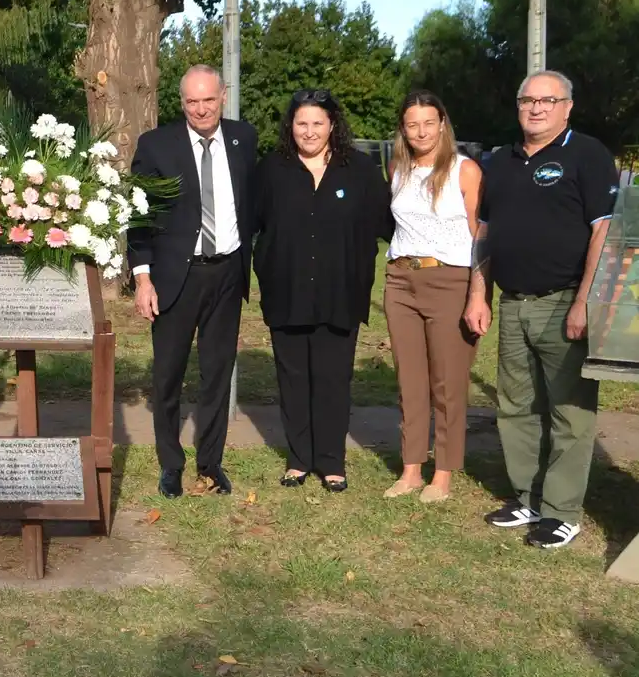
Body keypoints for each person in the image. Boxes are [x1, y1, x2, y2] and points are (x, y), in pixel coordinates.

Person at [464, 70, 617, 549]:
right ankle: (528, 498)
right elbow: (484, 232)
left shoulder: (587, 155)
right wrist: (477, 292)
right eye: (527, 100)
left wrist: (585, 301)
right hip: (513, 304)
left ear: (567, 107)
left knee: (569, 412)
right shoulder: (501, 161)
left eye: (547, 101)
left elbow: (603, 232)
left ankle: (562, 510)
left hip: (564, 301)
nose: (535, 108)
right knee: (516, 407)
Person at [128, 64, 258, 498]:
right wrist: (143, 279)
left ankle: (211, 462)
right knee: (167, 375)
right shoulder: (156, 146)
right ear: (181, 102)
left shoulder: (244, 140)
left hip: (226, 273)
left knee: (217, 374)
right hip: (173, 278)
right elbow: (139, 217)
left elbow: (253, 204)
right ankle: (170, 464)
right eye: (191, 101)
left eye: (208, 99)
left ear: (223, 96)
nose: (201, 109)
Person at [253, 89, 392, 492]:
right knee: (293, 378)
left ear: (333, 125)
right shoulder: (271, 170)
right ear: (290, 126)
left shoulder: (361, 171)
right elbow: (250, 223)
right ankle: (298, 459)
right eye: (301, 123)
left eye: (317, 123)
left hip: (340, 293)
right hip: (286, 291)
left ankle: (331, 461)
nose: (309, 131)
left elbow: (387, 225)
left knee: (333, 378)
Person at [383, 92, 482, 503]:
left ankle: (443, 472)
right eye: (412, 124)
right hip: (400, 280)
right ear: (403, 129)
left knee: (447, 383)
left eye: (428, 122)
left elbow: (481, 236)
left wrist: (479, 294)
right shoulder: (398, 168)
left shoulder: (465, 170)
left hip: (450, 280)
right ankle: (410, 470)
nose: (420, 131)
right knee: (409, 381)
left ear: (442, 123)